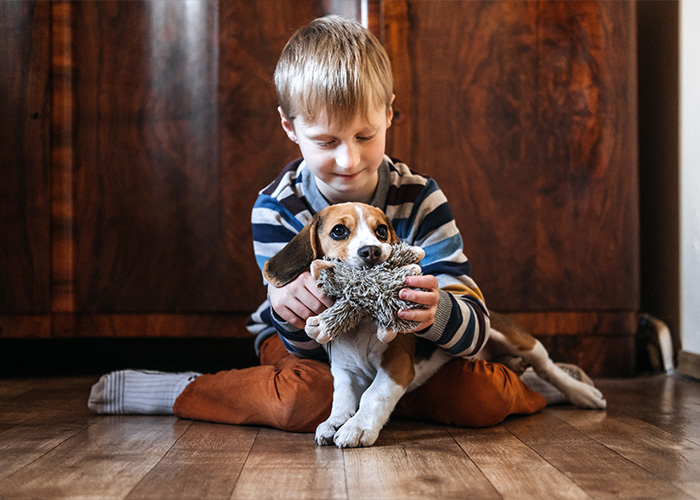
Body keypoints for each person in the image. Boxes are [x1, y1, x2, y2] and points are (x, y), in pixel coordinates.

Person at [89, 16, 585, 431]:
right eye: (327, 141)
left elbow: (474, 330)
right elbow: (305, 344)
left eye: (366, 135)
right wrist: (288, 308)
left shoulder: (420, 197)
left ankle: (523, 385)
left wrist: (435, 312)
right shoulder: (277, 207)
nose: (349, 160)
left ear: (390, 116)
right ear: (290, 128)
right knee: (305, 398)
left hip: (401, 347)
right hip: (310, 350)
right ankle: (183, 390)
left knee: (480, 396)